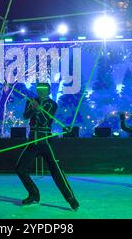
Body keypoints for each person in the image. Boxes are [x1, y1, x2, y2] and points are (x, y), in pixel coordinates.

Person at [15, 83, 79, 211]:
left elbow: (46, 121)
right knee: (20, 168)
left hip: (45, 142)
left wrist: (39, 110)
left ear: (49, 91)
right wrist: (33, 108)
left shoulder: (52, 104)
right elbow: (25, 116)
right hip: (33, 141)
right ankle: (34, 194)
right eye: (39, 89)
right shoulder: (31, 101)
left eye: (44, 90)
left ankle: (71, 198)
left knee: (56, 171)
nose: (41, 92)